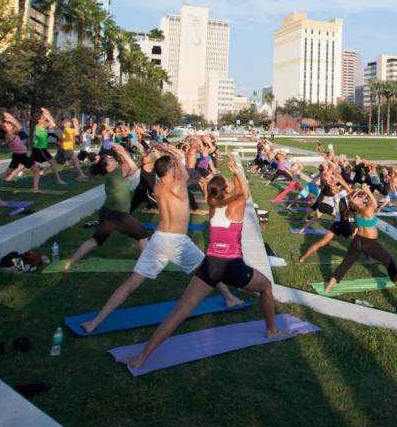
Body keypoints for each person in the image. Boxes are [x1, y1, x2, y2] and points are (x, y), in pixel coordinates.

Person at [125, 155, 284, 370]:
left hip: (209, 265)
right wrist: (237, 171)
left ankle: (141, 357)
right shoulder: (236, 205)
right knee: (266, 288)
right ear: (226, 189)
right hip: (232, 266)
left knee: (179, 311)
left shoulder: (211, 207)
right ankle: (272, 329)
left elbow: (231, 192)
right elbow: (244, 193)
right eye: (227, 182)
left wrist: (229, 177)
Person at [79, 142, 242, 334]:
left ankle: (95, 322)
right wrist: (170, 152)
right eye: (173, 166)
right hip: (177, 241)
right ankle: (230, 298)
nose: (176, 168)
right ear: (171, 170)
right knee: (208, 268)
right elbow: (187, 172)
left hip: (159, 239)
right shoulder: (179, 185)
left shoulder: (158, 187)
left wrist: (166, 154)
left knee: (132, 282)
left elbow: (174, 168)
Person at [64, 144, 150, 271]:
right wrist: (123, 152)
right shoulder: (116, 173)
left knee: (95, 240)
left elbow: (132, 168)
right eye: (111, 159)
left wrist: (125, 152)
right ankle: (147, 266)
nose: (113, 159)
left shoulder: (116, 173)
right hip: (119, 216)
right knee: (143, 235)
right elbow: (132, 167)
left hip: (107, 213)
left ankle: (71, 262)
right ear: (108, 166)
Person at [324, 188, 397, 292]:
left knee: (345, 264)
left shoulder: (356, 211)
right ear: (356, 203)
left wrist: (359, 193)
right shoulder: (367, 210)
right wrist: (368, 191)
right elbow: (374, 203)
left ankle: (329, 286)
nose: (359, 198)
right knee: (387, 260)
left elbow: (355, 200)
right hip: (369, 243)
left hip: (357, 241)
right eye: (357, 198)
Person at [298, 172, 355, 263]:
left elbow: (343, 189)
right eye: (336, 186)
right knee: (361, 236)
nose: (337, 186)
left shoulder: (334, 193)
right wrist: (339, 180)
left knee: (321, 243)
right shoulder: (339, 194)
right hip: (344, 223)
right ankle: (366, 254)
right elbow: (350, 190)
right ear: (336, 189)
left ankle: (303, 258)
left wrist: (332, 180)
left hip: (336, 224)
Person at [0, 112, 43, 192]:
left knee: (7, 172)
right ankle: (35, 189)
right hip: (21, 156)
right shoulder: (9, 134)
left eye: (9, 124)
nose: (10, 125)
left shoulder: (11, 133)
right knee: (37, 170)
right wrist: (11, 117)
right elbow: (19, 126)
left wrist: (11, 118)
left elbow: (18, 126)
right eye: (7, 125)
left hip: (17, 156)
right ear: (5, 129)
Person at [31, 108, 67, 186]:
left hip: (38, 148)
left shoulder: (41, 125)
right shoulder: (41, 125)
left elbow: (53, 124)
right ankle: (58, 180)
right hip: (40, 149)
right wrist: (47, 113)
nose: (44, 118)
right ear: (39, 120)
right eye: (42, 118)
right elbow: (53, 124)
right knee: (53, 162)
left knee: (25, 163)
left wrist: (48, 114)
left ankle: (10, 176)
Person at [57, 116, 89, 181]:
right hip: (67, 149)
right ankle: (81, 174)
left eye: (70, 123)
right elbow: (77, 133)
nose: (70, 124)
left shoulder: (66, 130)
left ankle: (41, 168)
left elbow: (77, 133)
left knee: (54, 162)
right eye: (69, 123)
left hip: (64, 149)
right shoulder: (68, 130)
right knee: (75, 159)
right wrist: (75, 124)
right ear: (65, 124)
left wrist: (76, 124)